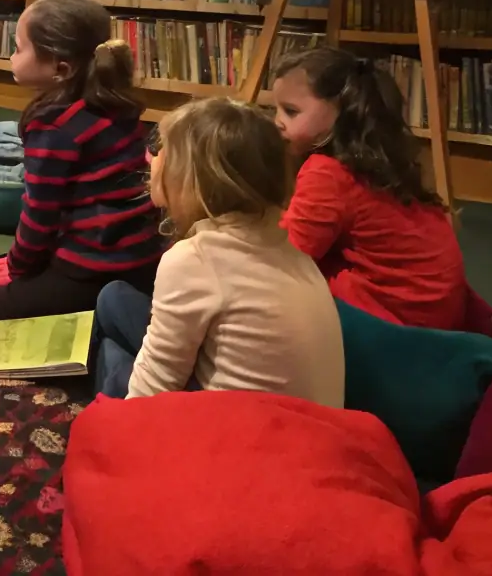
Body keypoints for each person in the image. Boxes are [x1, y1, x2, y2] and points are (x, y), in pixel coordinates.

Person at [92, 98, 345, 406]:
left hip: (238, 434)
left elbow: (153, 389)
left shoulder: (196, 259)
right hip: (300, 425)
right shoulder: (280, 238)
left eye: (161, 150)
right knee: (113, 297)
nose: (151, 158)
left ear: (192, 176)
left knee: (112, 360)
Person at [271, 46, 492, 340]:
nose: (277, 121)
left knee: (283, 274)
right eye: (275, 109)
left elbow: (287, 259)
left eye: (291, 111)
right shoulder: (382, 164)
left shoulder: (326, 172)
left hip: (394, 334)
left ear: (340, 110)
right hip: (436, 319)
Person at [0, 0, 163, 321]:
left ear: (60, 68)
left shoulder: (54, 128)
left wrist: (17, 268)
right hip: (143, 257)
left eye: (18, 48)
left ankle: (97, 316)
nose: (11, 56)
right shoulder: (114, 103)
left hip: (94, 264)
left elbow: (40, 216)